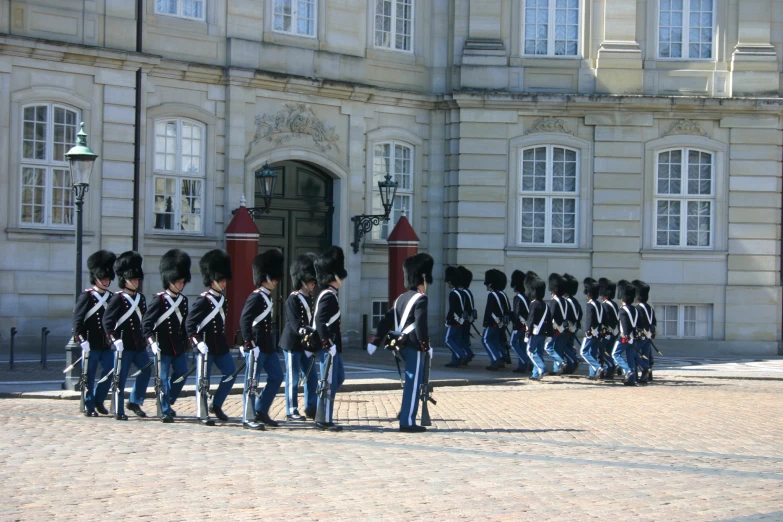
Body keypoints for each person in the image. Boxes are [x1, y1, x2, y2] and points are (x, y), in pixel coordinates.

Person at [369, 253, 434, 433]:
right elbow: (421, 325)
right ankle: (407, 420)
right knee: (413, 384)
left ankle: (406, 415)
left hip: (401, 346)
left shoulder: (400, 298)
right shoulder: (421, 298)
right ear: (423, 277)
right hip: (414, 346)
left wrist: (376, 340)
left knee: (411, 382)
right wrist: (426, 346)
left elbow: (386, 319)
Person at [186, 249, 236, 425]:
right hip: (205, 345)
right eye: (220, 280)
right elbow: (190, 325)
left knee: (230, 373)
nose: (223, 283)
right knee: (203, 381)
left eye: (224, 280)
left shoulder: (223, 300)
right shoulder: (203, 300)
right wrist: (197, 343)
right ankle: (202, 412)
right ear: (212, 279)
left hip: (219, 345)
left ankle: (217, 404)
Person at [142, 249, 191, 423]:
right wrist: (151, 342)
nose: (181, 284)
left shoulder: (183, 300)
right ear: (169, 280)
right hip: (162, 345)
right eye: (178, 281)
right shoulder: (159, 300)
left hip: (177, 346)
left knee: (181, 374)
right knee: (161, 378)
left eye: (183, 281)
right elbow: (146, 323)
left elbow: (184, 324)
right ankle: (164, 410)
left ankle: (167, 401)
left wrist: (188, 343)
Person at [240, 249, 285, 429]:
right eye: (273, 278)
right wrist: (249, 342)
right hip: (257, 344)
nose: (276, 281)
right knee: (251, 381)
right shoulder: (256, 296)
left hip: (267, 346)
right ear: (266, 276)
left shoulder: (267, 297)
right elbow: (245, 319)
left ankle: (260, 409)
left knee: (277, 377)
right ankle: (247, 416)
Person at [102, 251, 149, 420]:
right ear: (126, 279)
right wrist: (114, 340)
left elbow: (144, 319)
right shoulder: (118, 299)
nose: (137, 282)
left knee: (146, 370)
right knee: (119, 378)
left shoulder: (141, 299)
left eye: (138, 279)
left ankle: (135, 401)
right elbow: (107, 321)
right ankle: (118, 408)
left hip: (138, 344)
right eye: (134, 279)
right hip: (123, 344)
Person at [72, 250, 116, 417]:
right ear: (96, 278)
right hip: (90, 342)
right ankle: (88, 404)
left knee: (111, 370)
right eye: (104, 278)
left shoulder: (112, 297)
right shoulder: (87, 296)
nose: (107, 281)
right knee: (88, 376)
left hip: (105, 343)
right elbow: (78, 319)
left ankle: (99, 399)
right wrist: (80, 338)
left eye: (108, 278)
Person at [312, 246, 348, 432]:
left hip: (334, 346)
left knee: (337, 378)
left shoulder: (330, 294)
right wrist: (327, 343)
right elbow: (320, 321)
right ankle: (324, 418)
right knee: (328, 382)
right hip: (329, 347)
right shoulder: (327, 296)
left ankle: (324, 413)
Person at [280, 253, 319, 421]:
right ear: (303, 280)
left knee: (312, 376)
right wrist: (307, 334)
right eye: (312, 281)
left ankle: (311, 406)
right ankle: (291, 409)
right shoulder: (293, 299)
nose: (314, 284)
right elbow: (295, 324)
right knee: (293, 377)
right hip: (292, 343)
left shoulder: (310, 298)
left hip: (305, 344)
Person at [524, 272, 551, 380]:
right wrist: (549, 334)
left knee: (530, 352)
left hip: (535, 332)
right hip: (543, 333)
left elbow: (531, 319)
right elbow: (549, 320)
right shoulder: (545, 304)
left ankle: (542, 368)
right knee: (538, 353)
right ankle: (536, 374)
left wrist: (528, 332)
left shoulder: (533, 304)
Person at [613, 280, 639, 386]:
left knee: (615, 354)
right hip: (633, 336)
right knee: (630, 358)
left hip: (625, 336)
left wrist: (626, 335)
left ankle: (627, 371)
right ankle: (631, 380)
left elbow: (624, 324)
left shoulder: (623, 310)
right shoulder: (635, 309)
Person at [482, 269, 507, 371]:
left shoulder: (492, 295)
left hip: (493, 323)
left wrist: (486, 322)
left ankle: (495, 358)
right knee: (495, 341)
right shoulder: (502, 294)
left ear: (490, 284)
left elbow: (490, 310)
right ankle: (502, 356)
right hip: (501, 323)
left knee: (485, 340)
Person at [543, 273, 568, 376]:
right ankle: (556, 369)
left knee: (548, 347)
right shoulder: (565, 301)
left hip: (555, 328)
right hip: (563, 328)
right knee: (557, 348)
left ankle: (561, 362)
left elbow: (551, 316)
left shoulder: (554, 301)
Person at [444, 265, 468, 367]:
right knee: (456, 340)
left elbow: (452, 308)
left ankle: (461, 355)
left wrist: (448, 320)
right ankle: (455, 361)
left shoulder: (453, 293)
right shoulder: (461, 292)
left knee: (448, 339)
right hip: (461, 320)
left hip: (454, 320)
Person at [580, 278, 604, 379]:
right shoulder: (599, 304)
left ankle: (598, 367)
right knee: (592, 352)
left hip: (591, 331)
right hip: (598, 331)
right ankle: (592, 374)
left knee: (583, 352)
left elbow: (589, 318)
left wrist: (587, 329)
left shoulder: (590, 305)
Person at [509, 270, 532, 374]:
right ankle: (522, 366)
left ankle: (525, 360)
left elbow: (517, 313)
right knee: (523, 346)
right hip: (526, 325)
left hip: (520, 325)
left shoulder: (518, 298)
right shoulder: (527, 296)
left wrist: (514, 324)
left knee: (513, 343)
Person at [632, 280, 655, 383]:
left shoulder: (637, 308)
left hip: (640, 335)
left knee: (634, 354)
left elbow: (637, 323)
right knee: (645, 355)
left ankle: (644, 369)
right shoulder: (649, 308)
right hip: (648, 335)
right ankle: (646, 376)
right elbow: (654, 321)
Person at [561, 273, 582, 374]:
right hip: (572, 328)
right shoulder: (574, 300)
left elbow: (572, 316)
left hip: (568, 328)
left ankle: (574, 360)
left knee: (563, 347)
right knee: (569, 346)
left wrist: (570, 326)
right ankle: (570, 367)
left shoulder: (568, 301)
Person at [599, 278, 619, 380]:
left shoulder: (605, 305)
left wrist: (604, 331)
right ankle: (610, 369)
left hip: (608, 332)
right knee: (608, 351)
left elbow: (605, 320)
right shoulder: (614, 304)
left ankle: (611, 367)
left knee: (602, 352)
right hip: (614, 332)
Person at [456, 266, 476, 363]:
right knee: (463, 338)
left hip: (463, 319)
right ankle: (465, 356)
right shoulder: (466, 291)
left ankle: (467, 353)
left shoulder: (463, 292)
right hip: (467, 319)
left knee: (459, 338)